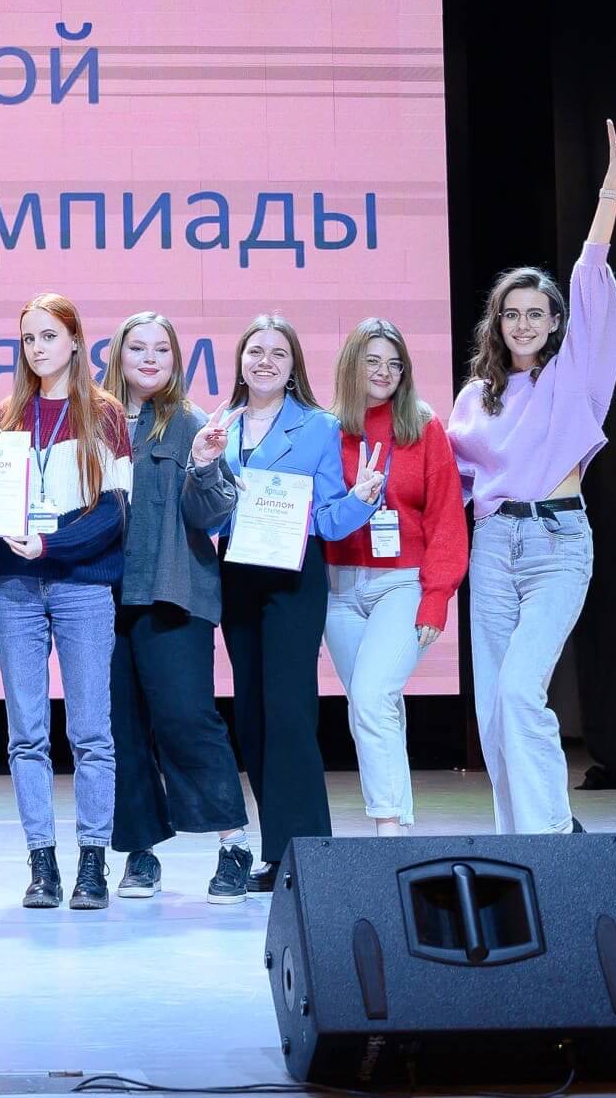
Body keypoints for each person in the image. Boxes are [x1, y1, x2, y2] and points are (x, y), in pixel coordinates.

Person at [449, 117, 616, 835]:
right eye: (512, 314)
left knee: (521, 691)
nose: (524, 324)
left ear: (557, 323)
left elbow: (590, 279)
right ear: (497, 324)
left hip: (557, 543)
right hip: (494, 548)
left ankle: (554, 835)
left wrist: (609, 190)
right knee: (493, 708)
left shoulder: (575, 378)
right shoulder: (476, 398)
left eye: (537, 314)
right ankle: (520, 842)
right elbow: (447, 484)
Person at [217, 315, 383, 892]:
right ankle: (276, 851)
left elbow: (331, 519)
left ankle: (308, 852)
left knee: (288, 712)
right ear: (240, 361)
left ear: (293, 368)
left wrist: (361, 499)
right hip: (236, 575)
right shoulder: (219, 426)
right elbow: (209, 511)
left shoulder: (318, 426)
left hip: (293, 577)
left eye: (278, 353)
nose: (265, 361)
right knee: (251, 715)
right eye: (255, 351)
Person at [100, 311, 256, 904]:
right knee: (121, 729)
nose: (149, 358)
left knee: (187, 719)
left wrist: (207, 464)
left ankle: (233, 844)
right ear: (117, 355)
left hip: (174, 591)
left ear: (176, 359)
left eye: (161, 349)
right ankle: (140, 852)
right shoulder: (95, 422)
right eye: (137, 347)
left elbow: (210, 516)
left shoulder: (192, 423)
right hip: (102, 596)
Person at [0, 292, 132, 910]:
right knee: (26, 733)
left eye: (49, 336)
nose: (37, 348)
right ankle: (42, 864)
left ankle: (92, 863)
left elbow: (114, 513)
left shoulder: (104, 413)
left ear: (75, 340)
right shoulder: (5, 416)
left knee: (91, 732)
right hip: (15, 589)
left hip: (82, 585)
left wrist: (49, 544)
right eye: (29, 338)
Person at [322, 318, 468, 835]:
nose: (384, 372)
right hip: (339, 588)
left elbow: (446, 518)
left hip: (402, 584)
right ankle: (400, 823)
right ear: (352, 366)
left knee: (371, 697)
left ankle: (386, 831)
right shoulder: (327, 429)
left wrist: (437, 596)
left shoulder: (423, 427)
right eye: (373, 361)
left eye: (394, 364)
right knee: (374, 705)